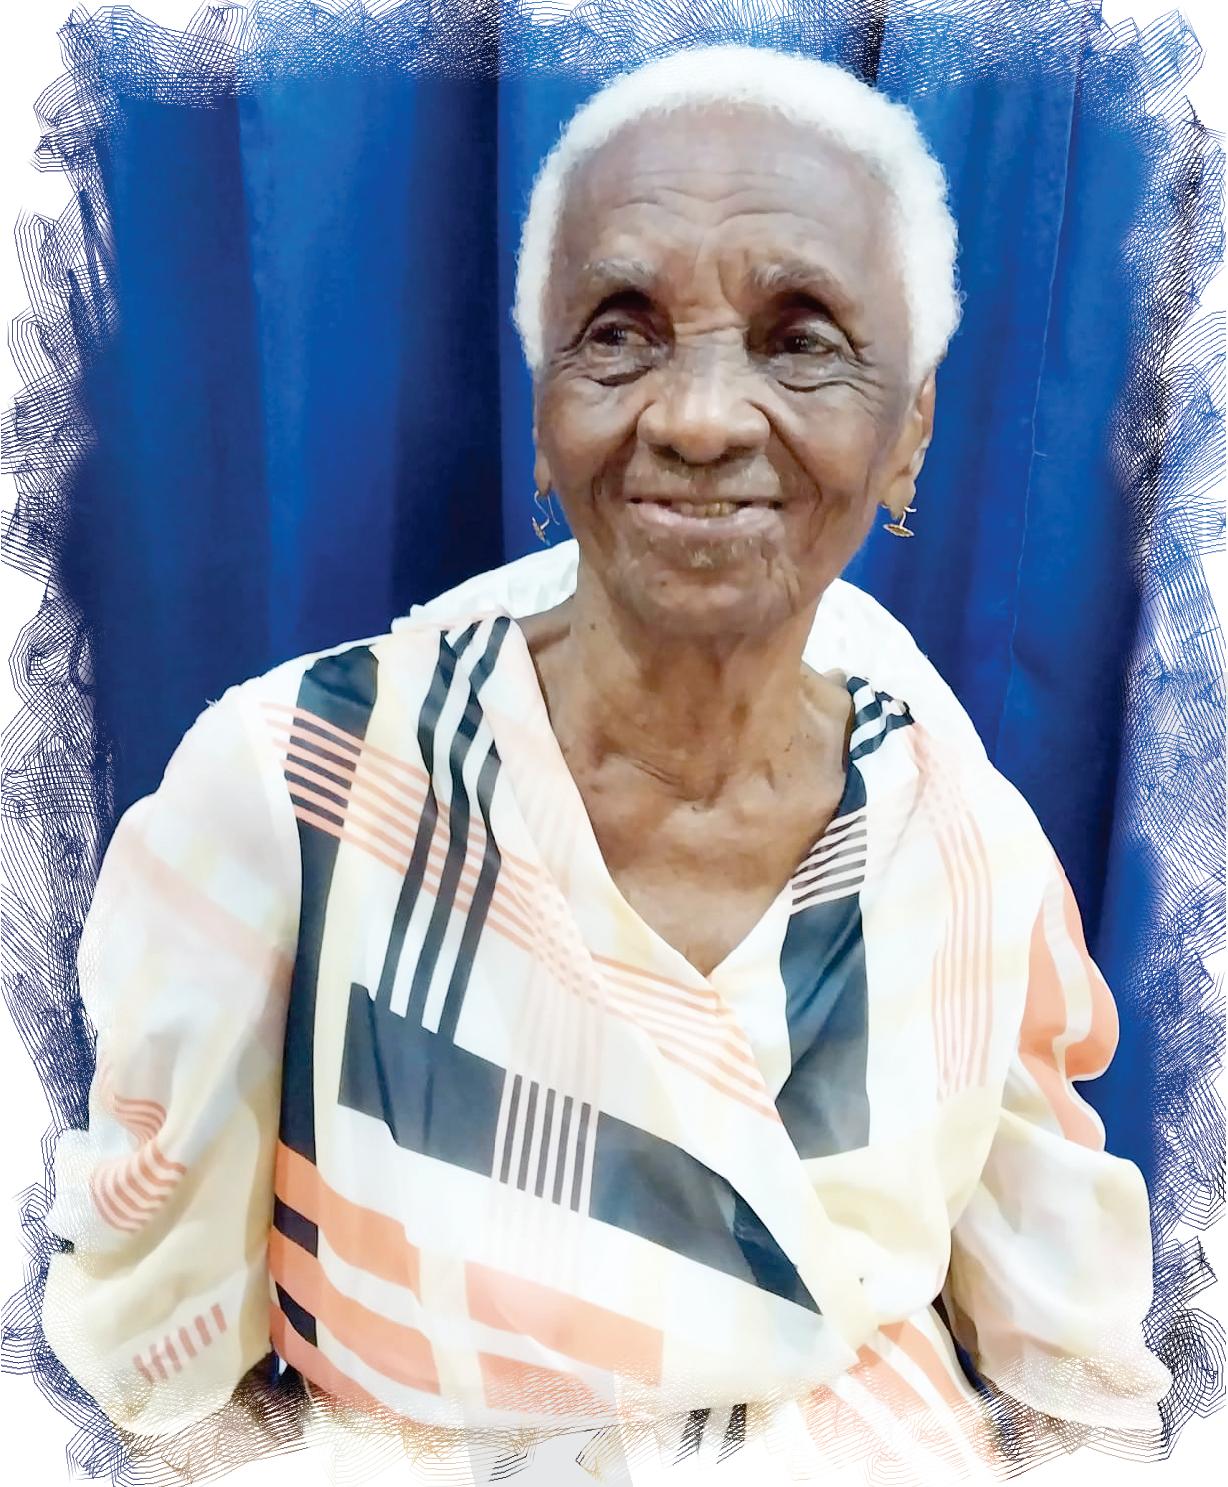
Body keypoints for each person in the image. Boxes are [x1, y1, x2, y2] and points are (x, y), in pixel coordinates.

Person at [41, 43, 1171, 1483]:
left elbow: (1070, 1372)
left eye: (802, 338)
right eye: (620, 333)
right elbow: (168, 1391)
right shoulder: (294, 794)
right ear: (542, 416)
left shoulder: (961, 836)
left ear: (911, 434)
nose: (698, 419)